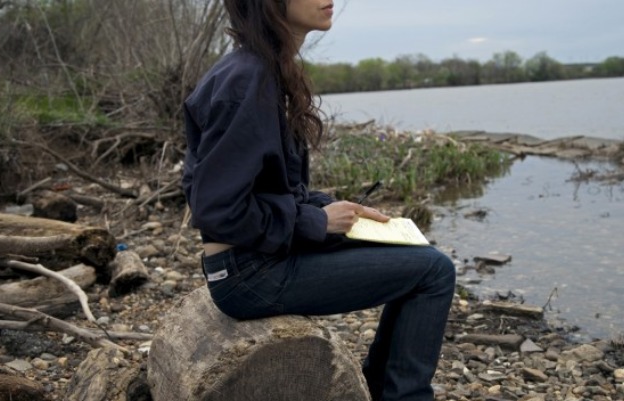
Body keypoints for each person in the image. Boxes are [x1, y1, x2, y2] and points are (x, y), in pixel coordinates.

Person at [180, 1, 456, 400]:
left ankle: (380, 389)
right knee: (434, 272)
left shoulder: (260, 70)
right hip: (248, 274)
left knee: (415, 252)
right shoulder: (246, 80)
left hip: (262, 254)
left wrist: (340, 211)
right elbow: (216, 209)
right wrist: (318, 222)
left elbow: (270, 190)